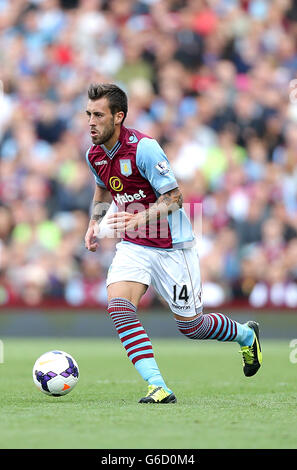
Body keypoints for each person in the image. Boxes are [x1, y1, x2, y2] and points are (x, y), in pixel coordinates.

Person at [84, 83, 262, 404]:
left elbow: (176, 198)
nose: (91, 122)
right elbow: (102, 189)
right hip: (134, 246)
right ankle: (158, 386)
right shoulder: (94, 154)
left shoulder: (144, 148)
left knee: (192, 326)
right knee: (119, 307)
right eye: (88, 114)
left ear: (118, 117)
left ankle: (246, 335)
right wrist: (95, 223)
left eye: (98, 115)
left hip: (172, 246)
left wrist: (138, 218)